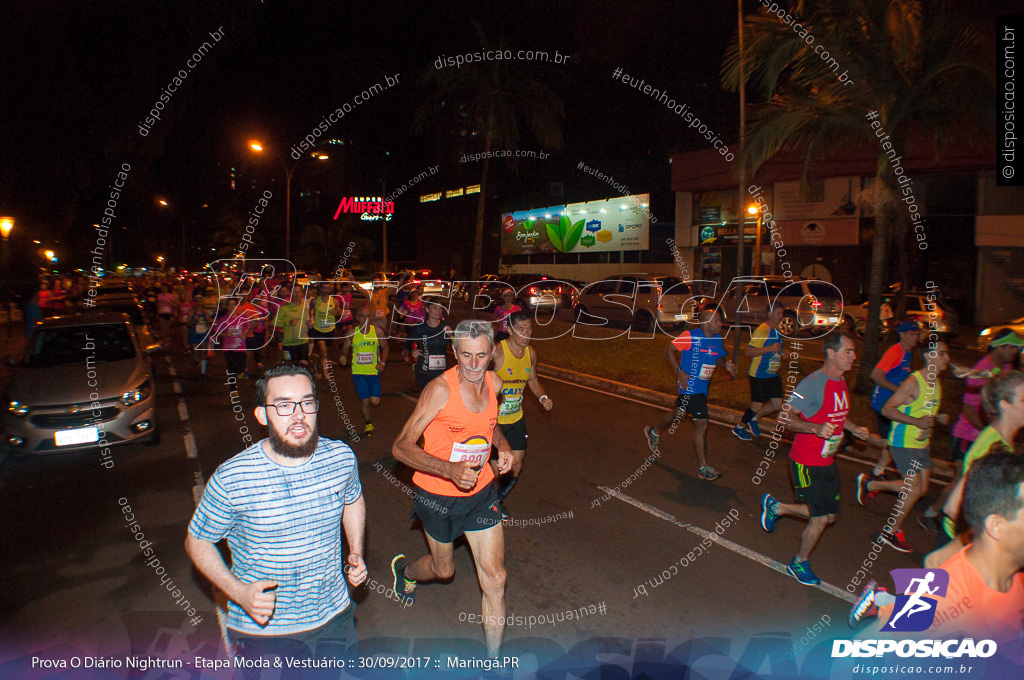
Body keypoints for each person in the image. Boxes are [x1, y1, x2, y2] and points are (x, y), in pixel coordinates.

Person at [185, 365, 366, 669]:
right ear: (261, 415)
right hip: (265, 631)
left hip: (335, 617)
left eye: (307, 402)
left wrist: (356, 550)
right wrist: (238, 592)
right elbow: (197, 541)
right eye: (283, 405)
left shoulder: (341, 458)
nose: (298, 415)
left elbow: (353, 499)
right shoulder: (234, 478)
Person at [390, 319, 514, 658]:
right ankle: (406, 571)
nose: (473, 365)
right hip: (438, 497)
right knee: (444, 570)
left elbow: (490, 424)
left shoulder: (495, 382)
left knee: (496, 580)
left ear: (492, 354)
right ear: (455, 352)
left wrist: (501, 448)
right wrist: (449, 470)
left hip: (482, 493)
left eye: (481, 356)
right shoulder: (440, 391)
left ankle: (493, 663)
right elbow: (400, 447)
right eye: (465, 356)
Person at [850, 452, 1024, 648]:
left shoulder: (1015, 581)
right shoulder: (950, 600)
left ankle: (884, 601)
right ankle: (884, 605)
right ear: (996, 526)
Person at [760, 333, 872, 586]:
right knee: (820, 517)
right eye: (848, 351)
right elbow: (785, 417)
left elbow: (837, 415)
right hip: (805, 461)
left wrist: (853, 428)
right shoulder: (812, 384)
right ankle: (799, 562)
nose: (854, 356)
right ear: (831, 354)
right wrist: (815, 428)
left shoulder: (840, 381)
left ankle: (777, 508)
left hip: (827, 461)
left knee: (828, 516)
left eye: (853, 352)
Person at [920, 329, 1024, 534]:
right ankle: (932, 514)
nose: (1015, 352)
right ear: (999, 347)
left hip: (986, 432)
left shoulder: (1003, 369)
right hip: (967, 435)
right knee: (960, 481)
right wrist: (988, 430)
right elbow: (968, 410)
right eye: (1012, 347)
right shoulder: (982, 369)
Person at [855, 341, 951, 553]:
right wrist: (916, 422)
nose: (947, 358)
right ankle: (890, 531)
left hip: (921, 444)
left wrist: (938, 416)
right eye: (942, 353)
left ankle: (871, 485)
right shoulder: (913, 382)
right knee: (913, 488)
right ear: (929, 356)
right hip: (903, 443)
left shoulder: (935, 382)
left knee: (921, 490)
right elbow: (887, 409)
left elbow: (921, 409)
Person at [925, 369, 1024, 568]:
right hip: (961, 543)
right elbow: (954, 507)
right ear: (1005, 405)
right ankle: (880, 599)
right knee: (926, 598)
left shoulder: (1004, 442)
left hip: (971, 544)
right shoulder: (991, 447)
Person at [643, 309, 736, 481]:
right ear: (707, 324)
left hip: (702, 388)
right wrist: (679, 371)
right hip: (690, 386)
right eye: (717, 321)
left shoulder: (717, 339)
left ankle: (654, 431)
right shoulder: (690, 336)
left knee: (679, 413)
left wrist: (726, 365)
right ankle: (703, 467)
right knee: (702, 424)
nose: (720, 324)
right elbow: (668, 350)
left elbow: (718, 357)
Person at [490, 311, 554, 519]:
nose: (527, 334)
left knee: (516, 466)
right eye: (521, 329)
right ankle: (485, 501)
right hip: (493, 423)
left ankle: (497, 501)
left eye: (529, 328)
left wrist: (543, 398)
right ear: (509, 330)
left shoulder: (530, 353)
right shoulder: (498, 352)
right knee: (495, 471)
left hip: (515, 418)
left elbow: (532, 380)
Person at [867, 319, 921, 477]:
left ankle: (878, 472)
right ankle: (857, 435)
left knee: (892, 442)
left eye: (917, 335)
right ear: (902, 335)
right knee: (890, 443)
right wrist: (898, 390)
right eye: (911, 335)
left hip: (895, 406)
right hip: (882, 405)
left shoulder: (909, 353)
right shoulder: (895, 352)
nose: (915, 338)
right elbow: (875, 375)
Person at [734, 304, 788, 441]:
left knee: (777, 404)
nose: (781, 316)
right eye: (778, 313)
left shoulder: (776, 331)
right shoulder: (762, 330)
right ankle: (739, 427)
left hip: (772, 374)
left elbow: (776, 349)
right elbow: (749, 351)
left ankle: (755, 418)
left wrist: (783, 352)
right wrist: (770, 349)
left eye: (782, 313)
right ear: (770, 314)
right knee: (756, 405)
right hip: (758, 374)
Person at [339, 308, 388, 436]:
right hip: (358, 373)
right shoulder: (352, 333)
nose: (365, 319)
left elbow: (385, 347)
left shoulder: (377, 332)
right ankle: (368, 423)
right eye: (362, 316)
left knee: (375, 401)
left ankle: (367, 418)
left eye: (368, 316)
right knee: (365, 401)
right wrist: (343, 357)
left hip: (373, 372)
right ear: (357, 317)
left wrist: (382, 362)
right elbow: (345, 350)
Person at [408, 296, 452, 391]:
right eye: (435, 308)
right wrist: (412, 351)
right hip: (424, 372)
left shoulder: (445, 327)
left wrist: (452, 336)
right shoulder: (420, 328)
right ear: (427, 309)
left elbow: (456, 348)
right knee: (428, 400)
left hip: (441, 372)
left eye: (440, 308)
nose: (438, 311)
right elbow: (407, 343)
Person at [308, 282, 343, 381]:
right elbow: (309, 312)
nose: (326, 290)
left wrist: (337, 313)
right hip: (318, 330)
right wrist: (310, 321)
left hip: (330, 330)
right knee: (324, 352)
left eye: (328, 288)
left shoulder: (335, 301)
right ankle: (326, 377)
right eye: (324, 288)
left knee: (324, 353)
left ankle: (318, 366)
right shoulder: (314, 301)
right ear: (320, 289)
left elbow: (339, 313)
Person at [275, 289, 311, 369]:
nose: (297, 294)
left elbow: (307, 318)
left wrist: (309, 323)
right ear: (290, 293)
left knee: (303, 366)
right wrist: (288, 322)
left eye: (299, 291)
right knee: (290, 368)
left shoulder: (305, 305)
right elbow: (275, 323)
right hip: (289, 343)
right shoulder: (284, 308)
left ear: (302, 293)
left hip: (303, 341)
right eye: (294, 292)